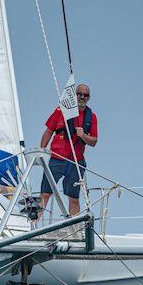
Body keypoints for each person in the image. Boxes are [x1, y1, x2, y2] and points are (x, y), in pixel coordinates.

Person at [39, 83, 98, 216]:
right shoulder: (61, 110)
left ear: (89, 98)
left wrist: (83, 135)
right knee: (45, 193)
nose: (82, 97)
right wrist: (41, 151)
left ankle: (74, 230)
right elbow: (48, 131)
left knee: (74, 198)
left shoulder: (92, 117)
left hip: (76, 161)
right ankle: (32, 224)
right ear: (74, 95)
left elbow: (94, 141)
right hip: (57, 158)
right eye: (79, 94)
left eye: (85, 95)